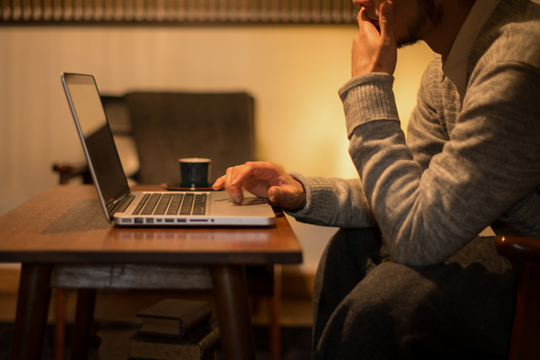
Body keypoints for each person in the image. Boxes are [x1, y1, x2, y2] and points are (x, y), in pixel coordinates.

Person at [213, 0, 540, 358]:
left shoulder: (516, 63)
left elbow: (416, 237)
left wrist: (368, 87)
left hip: (533, 269)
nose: (358, 0)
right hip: (520, 257)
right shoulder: (444, 72)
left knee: (385, 302)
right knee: (351, 250)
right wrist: (303, 192)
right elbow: (405, 198)